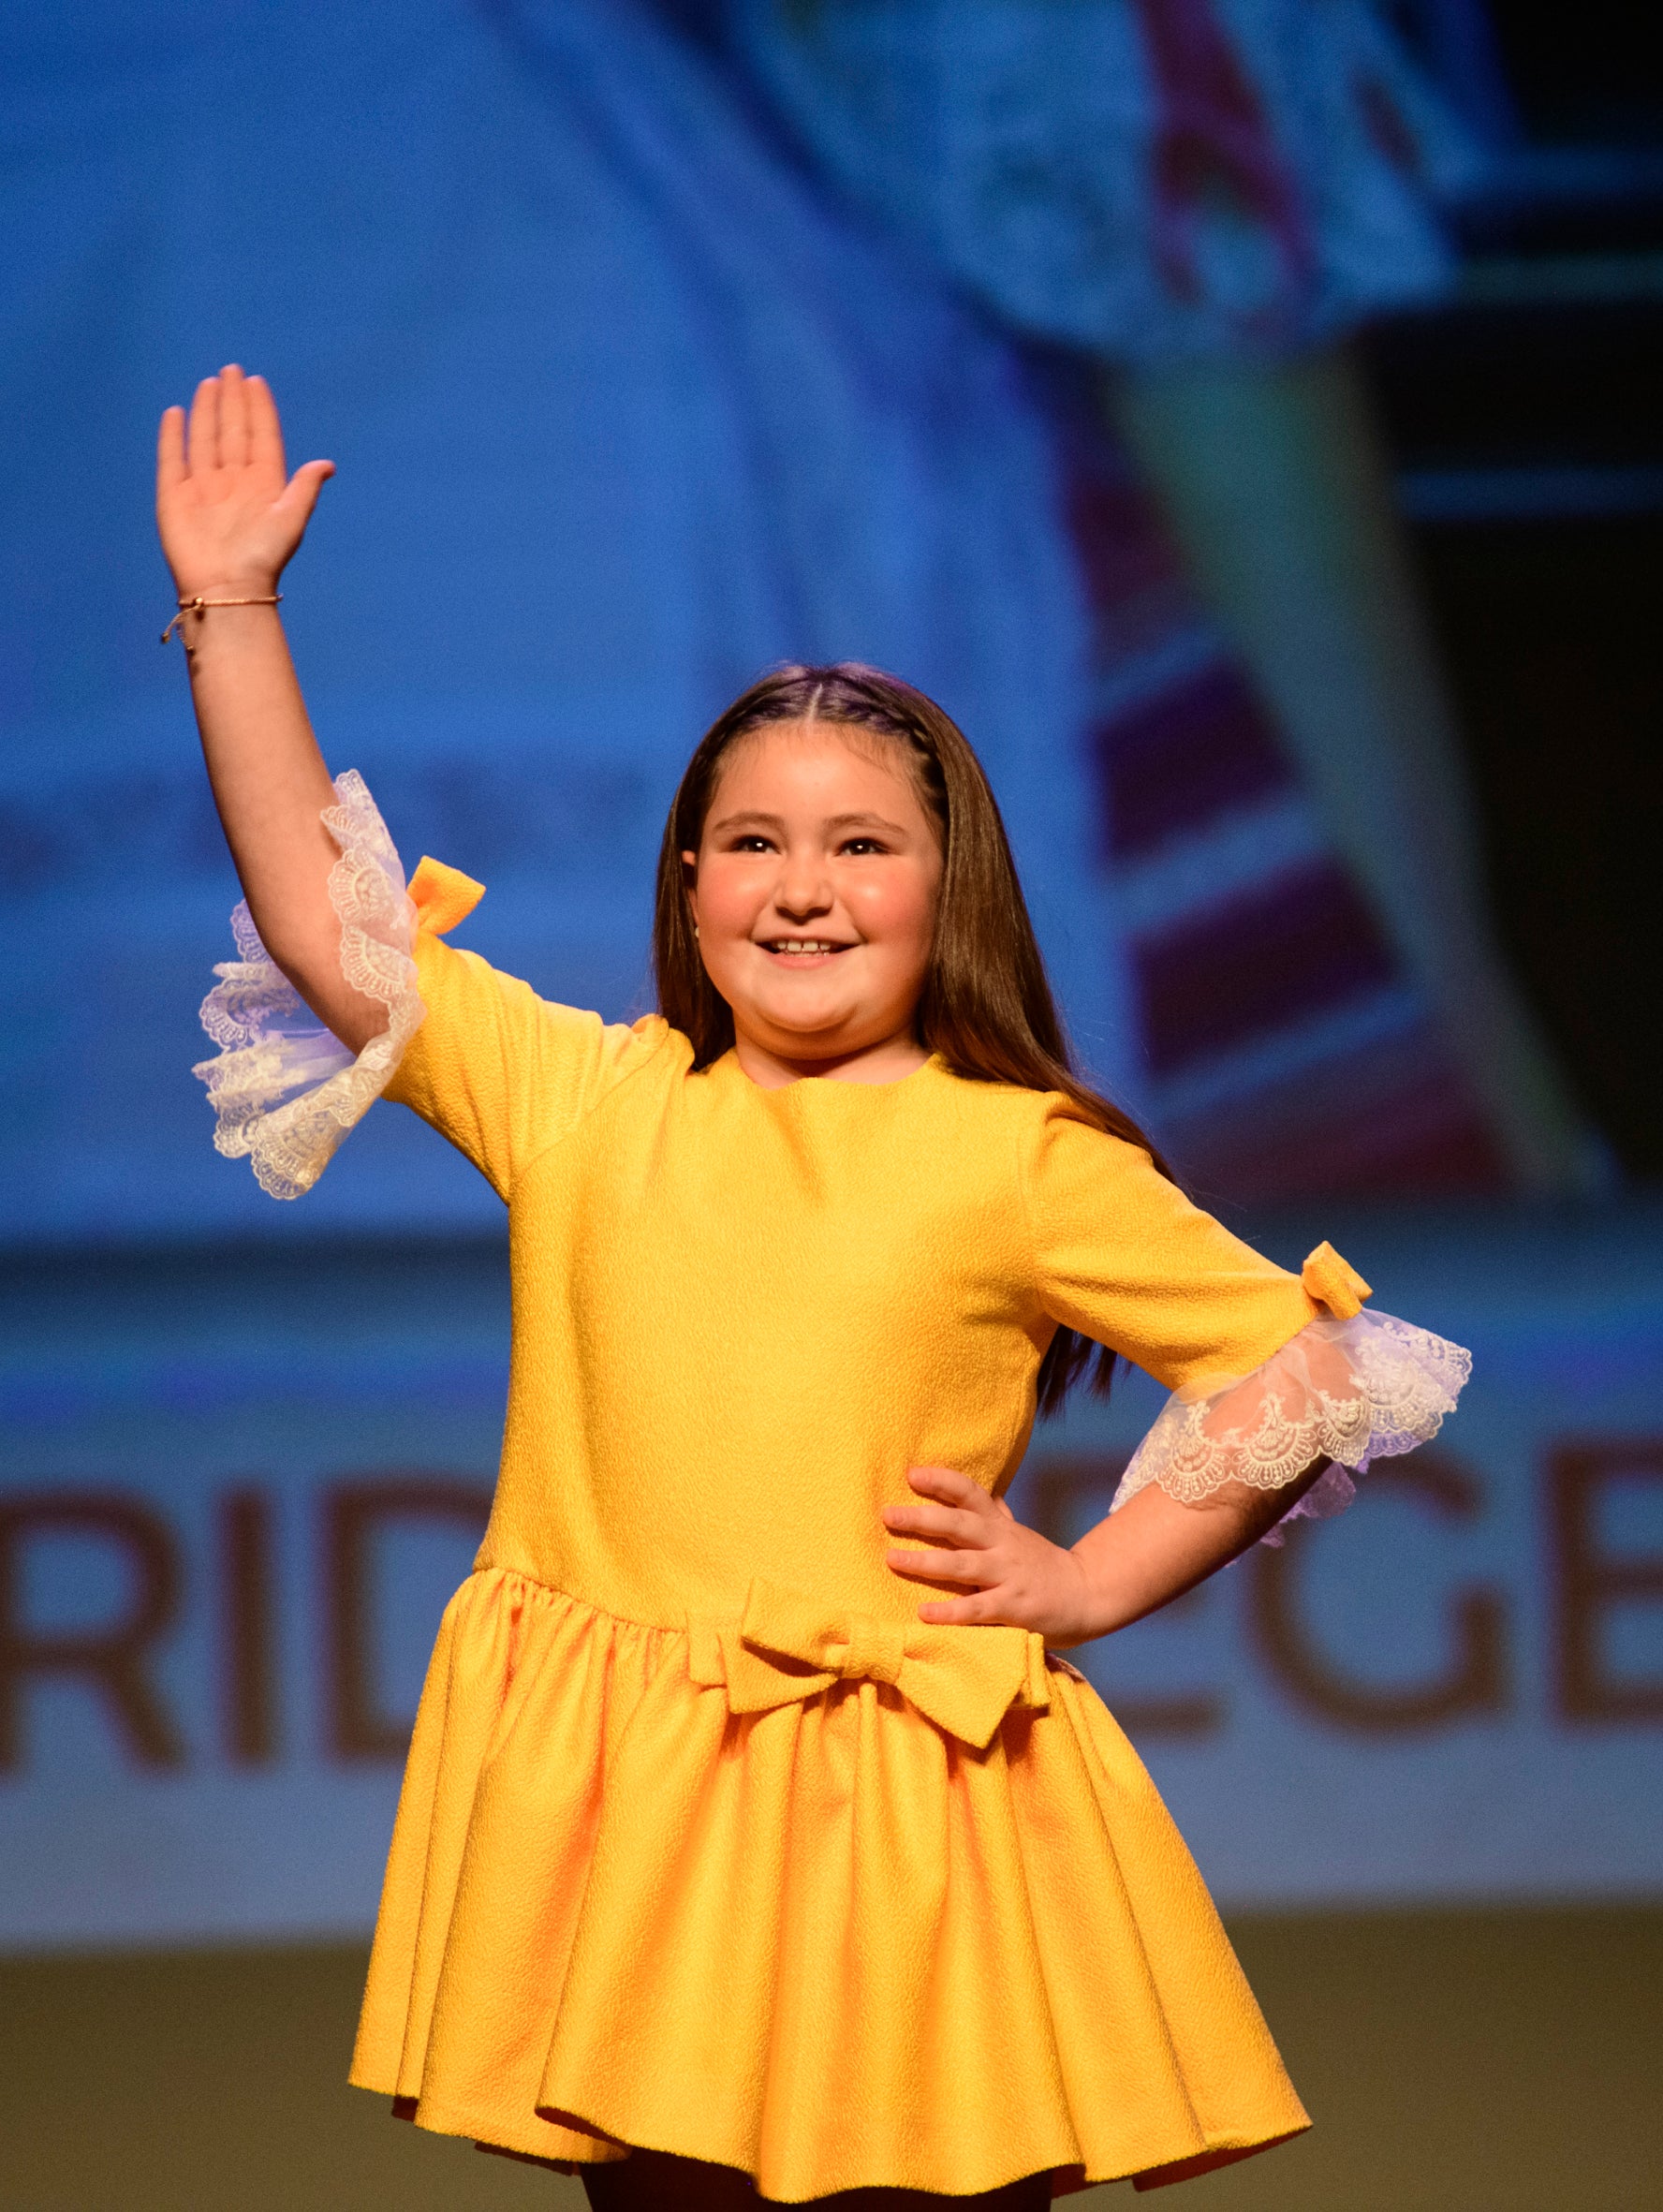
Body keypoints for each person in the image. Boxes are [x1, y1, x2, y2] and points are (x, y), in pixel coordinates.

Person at [162, 365, 1468, 2207]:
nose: (800, 888)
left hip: (898, 1814)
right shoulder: (589, 1095)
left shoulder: (1014, 1150)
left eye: (860, 843)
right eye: (753, 842)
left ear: (949, 886)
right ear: (687, 878)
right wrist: (230, 609)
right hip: (645, 1814)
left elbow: (1313, 1353)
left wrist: (1084, 1574)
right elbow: (323, 918)